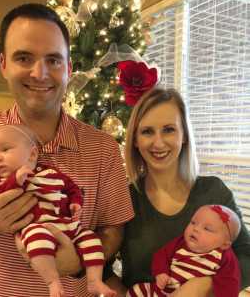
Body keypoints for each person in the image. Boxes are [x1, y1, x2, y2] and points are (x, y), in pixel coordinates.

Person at [0, 3, 134, 297]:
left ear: (69, 69)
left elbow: (114, 228)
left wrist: (77, 262)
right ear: (3, 65)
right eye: (24, 57)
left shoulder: (103, 149)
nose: (40, 73)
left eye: (53, 60)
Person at [103, 88, 250, 297]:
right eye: (147, 131)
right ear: (135, 139)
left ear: (184, 135)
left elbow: (247, 255)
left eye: (169, 130)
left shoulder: (215, 192)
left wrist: (201, 287)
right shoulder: (125, 199)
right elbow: (101, 266)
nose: (158, 143)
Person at [0, 124, 117, 297]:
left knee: (91, 239)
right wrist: (16, 181)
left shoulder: (51, 173)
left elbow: (72, 188)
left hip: (66, 226)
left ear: (32, 154)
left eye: (5, 149)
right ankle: (53, 282)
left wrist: (76, 203)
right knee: (37, 241)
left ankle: (94, 281)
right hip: (36, 227)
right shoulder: (1, 181)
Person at [126, 205, 241, 297]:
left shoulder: (224, 257)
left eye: (206, 228)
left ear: (224, 245)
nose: (195, 229)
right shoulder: (180, 243)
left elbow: (230, 283)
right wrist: (161, 273)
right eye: (193, 222)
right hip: (161, 290)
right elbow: (161, 256)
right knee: (136, 290)